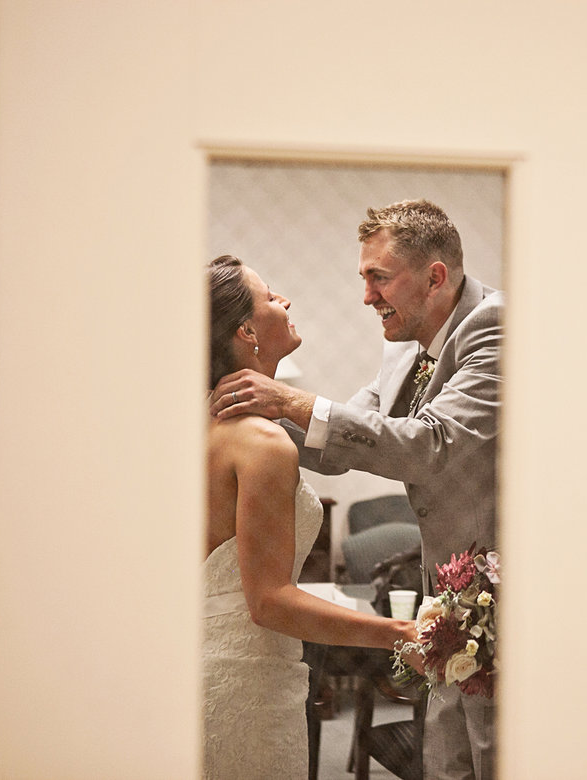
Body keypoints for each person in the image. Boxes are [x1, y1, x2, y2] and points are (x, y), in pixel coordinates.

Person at [210, 199, 502, 780]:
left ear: (435, 276)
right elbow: (346, 440)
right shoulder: (405, 344)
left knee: (496, 755)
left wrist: (284, 402)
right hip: (448, 599)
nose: (366, 296)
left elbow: (428, 445)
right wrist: (264, 413)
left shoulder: (495, 326)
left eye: (379, 278)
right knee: (451, 761)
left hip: (500, 595)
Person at [202, 254, 418, 780]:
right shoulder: (261, 443)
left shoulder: (204, 422)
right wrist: (397, 633)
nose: (286, 301)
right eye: (271, 295)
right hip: (247, 675)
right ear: (247, 330)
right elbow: (268, 601)